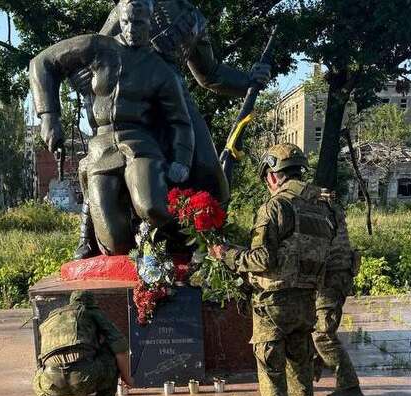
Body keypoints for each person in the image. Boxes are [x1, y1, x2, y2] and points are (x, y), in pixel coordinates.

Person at [71, 0, 272, 259]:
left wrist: (248, 80)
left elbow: (209, 73)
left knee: (210, 171)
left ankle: (201, 247)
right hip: (131, 101)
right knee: (105, 165)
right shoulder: (133, 7)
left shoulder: (194, 18)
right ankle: (87, 234)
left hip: (174, 98)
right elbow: (98, 52)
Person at [29, 0, 194, 255]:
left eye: (138, 23)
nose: (131, 29)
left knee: (152, 207)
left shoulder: (161, 70)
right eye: (126, 22)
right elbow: (41, 63)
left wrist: (181, 161)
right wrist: (49, 115)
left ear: (150, 23)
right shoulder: (98, 47)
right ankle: (98, 233)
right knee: (115, 242)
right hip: (102, 146)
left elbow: (180, 122)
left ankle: (181, 242)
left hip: (141, 144)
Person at [209, 143, 335, 396]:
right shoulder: (321, 207)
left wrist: (228, 256)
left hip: (273, 306)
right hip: (306, 302)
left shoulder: (276, 206)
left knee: (272, 374)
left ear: (272, 175)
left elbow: (264, 259)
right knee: (301, 372)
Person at [33, 290, 133, 396]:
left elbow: (42, 355)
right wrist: (127, 378)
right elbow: (120, 347)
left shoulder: (52, 317)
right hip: (86, 377)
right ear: (92, 304)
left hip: (52, 384)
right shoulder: (91, 312)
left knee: (39, 374)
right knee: (110, 353)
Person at [314, 191, 364, 396]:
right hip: (336, 276)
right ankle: (311, 372)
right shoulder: (329, 207)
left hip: (331, 279)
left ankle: (348, 384)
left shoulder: (319, 209)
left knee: (323, 334)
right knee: (315, 327)